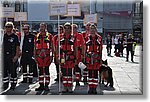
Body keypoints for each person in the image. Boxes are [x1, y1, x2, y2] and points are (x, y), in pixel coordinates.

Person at [55, 22, 77, 93]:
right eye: (65, 28)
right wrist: (57, 57)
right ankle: (65, 86)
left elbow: (75, 48)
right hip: (62, 57)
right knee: (64, 71)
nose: (67, 29)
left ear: (70, 29)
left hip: (70, 57)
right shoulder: (60, 37)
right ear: (63, 29)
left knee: (70, 72)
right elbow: (57, 48)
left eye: (68, 28)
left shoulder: (73, 37)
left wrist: (76, 58)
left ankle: (70, 86)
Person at [34, 23, 53, 91]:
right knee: (40, 71)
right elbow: (35, 47)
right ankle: (41, 85)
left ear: (45, 27)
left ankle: (47, 85)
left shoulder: (49, 36)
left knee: (47, 71)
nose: (41, 28)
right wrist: (35, 55)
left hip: (47, 55)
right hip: (39, 56)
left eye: (43, 27)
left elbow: (52, 47)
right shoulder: (37, 36)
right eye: (41, 27)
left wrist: (51, 56)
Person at [85, 24, 102, 94]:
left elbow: (101, 49)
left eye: (93, 28)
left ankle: (94, 88)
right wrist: (85, 57)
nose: (92, 30)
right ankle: (90, 87)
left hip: (96, 58)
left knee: (95, 74)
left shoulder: (99, 38)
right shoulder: (86, 38)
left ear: (96, 29)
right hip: (89, 58)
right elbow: (84, 48)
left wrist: (100, 59)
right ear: (89, 30)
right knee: (89, 73)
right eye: (91, 29)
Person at [2, 22, 20, 90]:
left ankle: (13, 84)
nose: (7, 28)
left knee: (13, 71)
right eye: (6, 27)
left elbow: (17, 47)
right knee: (4, 71)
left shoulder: (15, 36)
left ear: (12, 28)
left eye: (9, 27)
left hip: (12, 56)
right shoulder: (3, 36)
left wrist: (16, 56)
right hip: (4, 56)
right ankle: (5, 84)